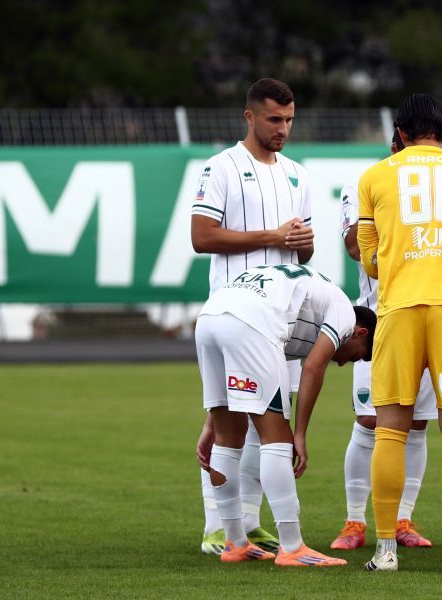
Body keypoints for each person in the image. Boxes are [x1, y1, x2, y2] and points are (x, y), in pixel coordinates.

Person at [358, 93, 442, 574]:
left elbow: (370, 260)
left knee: (389, 429)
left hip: (399, 309)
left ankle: (384, 552)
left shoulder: (374, 176)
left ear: (399, 134)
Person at [191, 78, 314, 555]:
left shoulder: (297, 174)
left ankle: (248, 523)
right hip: (233, 315)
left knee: (270, 424)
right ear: (249, 116)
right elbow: (202, 236)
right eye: (274, 119)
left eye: (289, 120)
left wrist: (301, 244)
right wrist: (273, 236)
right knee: (228, 425)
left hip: (280, 319)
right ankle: (216, 528)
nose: (283, 128)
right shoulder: (220, 166)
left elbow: (301, 251)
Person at [195, 263, 373, 567]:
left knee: (227, 437)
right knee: (276, 439)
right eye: (357, 356)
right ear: (360, 333)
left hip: (210, 316)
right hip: (251, 320)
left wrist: (211, 423)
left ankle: (235, 543)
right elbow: (313, 367)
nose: (345, 363)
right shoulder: (345, 312)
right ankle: (292, 548)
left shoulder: (310, 309)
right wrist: (299, 433)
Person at [332, 131, 435, 550]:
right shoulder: (365, 182)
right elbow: (355, 246)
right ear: (395, 147)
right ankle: (355, 522)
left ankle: (403, 520)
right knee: (370, 421)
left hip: (431, 315)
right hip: (380, 320)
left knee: (418, 424)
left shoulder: (440, 186)